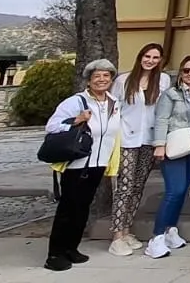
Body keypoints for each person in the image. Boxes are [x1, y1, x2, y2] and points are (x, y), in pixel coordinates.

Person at [43, 59, 123, 271]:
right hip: (77, 164)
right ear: (88, 80)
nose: (101, 80)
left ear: (111, 80)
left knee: (82, 208)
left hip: (99, 163)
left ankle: (71, 248)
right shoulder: (76, 102)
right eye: (97, 76)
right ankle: (55, 254)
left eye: (106, 76)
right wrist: (77, 119)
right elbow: (52, 126)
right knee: (68, 209)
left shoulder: (114, 103)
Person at [145, 55, 190, 259]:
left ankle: (170, 230)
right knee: (175, 190)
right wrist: (159, 145)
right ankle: (156, 237)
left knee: (183, 190)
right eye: (186, 70)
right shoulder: (170, 94)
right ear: (180, 73)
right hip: (176, 142)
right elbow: (161, 119)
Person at [109, 43, 170, 256]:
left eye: (155, 57)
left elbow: (163, 110)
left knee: (137, 186)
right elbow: (114, 108)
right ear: (140, 57)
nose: (150, 60)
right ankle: (116, 235)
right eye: (147, 56)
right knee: (124, 186)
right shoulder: (123, 80)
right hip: (127, 138)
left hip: (149, 139)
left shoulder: (163, 80)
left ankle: (127, 230)